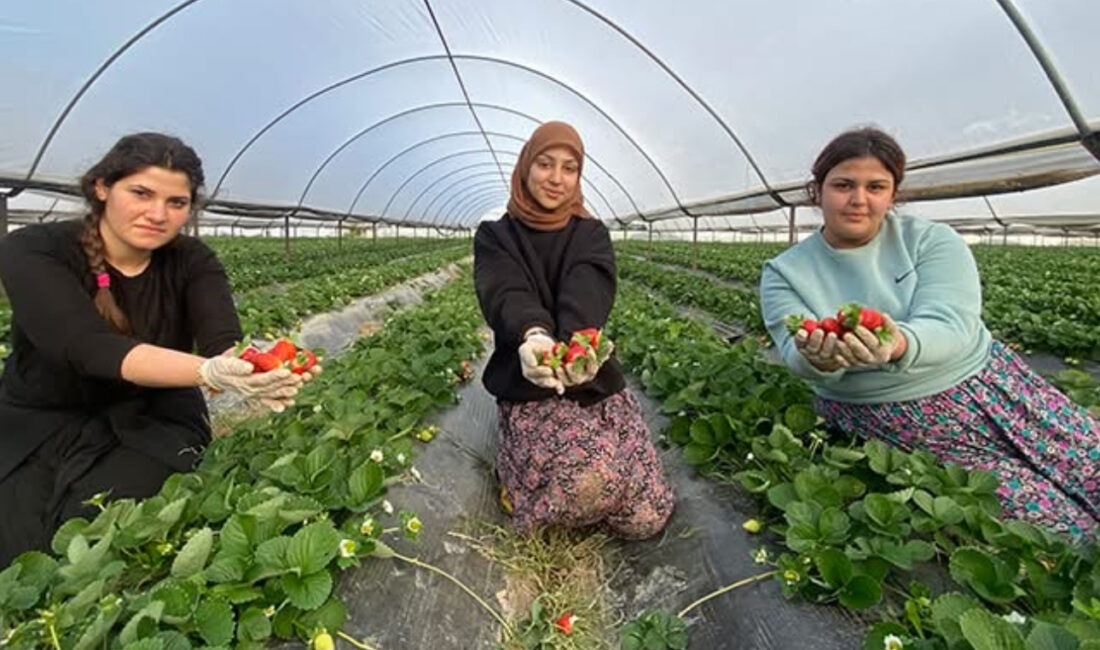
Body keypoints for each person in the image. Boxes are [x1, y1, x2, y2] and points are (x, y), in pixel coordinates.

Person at [760, 126, 1100, 540]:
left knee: (1090, 463)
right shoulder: (784, 272)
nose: (858, 199)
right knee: (1056, 524)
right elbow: (792, 351)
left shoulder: (931, 241)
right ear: (818, 191)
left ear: (893, 194)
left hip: (992, 385)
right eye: (843, 185)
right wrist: (819, 357)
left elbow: (952, 323)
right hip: (889, 411)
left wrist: (898, 342)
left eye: (876, 186)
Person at [0, 133, 316, 564]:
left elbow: (223, 341)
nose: (157, 214)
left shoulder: (193, 261)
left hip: (154, 419)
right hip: (41, 415)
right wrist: (205, 373)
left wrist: (252, 370)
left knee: (102, 534)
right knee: (17, 539)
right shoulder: (35, 249)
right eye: (141, 193)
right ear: (102, 187)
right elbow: (87, 346)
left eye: (176, 203)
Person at [473, 121, 674, 539]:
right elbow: (506, 291)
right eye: (545, 164)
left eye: (570, 168)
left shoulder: (591, 234)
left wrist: (577, 351)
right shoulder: (497, 236)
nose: (556, 178)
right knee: (589, 482)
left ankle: (582, 491)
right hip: (531, 386)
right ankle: (521, 477)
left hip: (592, 385)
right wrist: (534, 336)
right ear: (526, 167)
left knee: (646, 518)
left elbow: (586, 295)